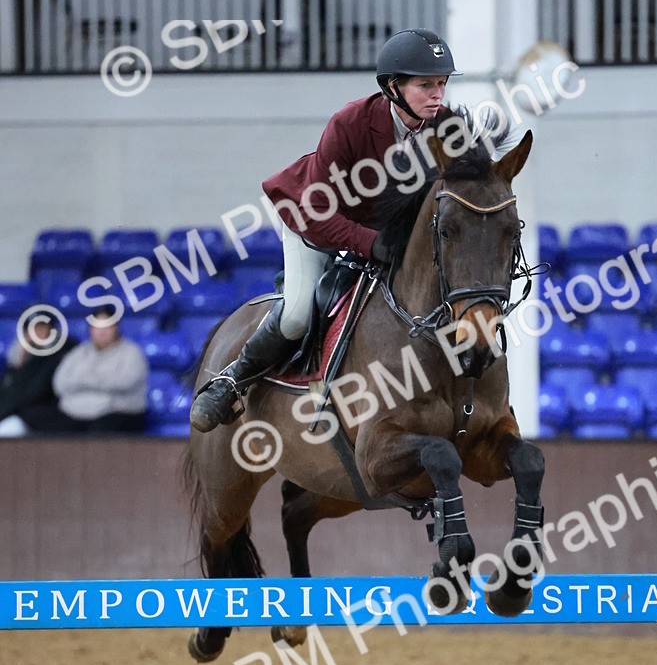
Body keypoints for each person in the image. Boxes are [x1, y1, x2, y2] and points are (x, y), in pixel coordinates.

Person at [191, 27, 484, 433]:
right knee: (296, 315)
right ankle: (231, 380)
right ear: (392, 87)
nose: (438, 94)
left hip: (384, 237)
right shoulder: (351, 123)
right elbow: (318, 212)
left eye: (442, 84)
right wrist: (369, 244)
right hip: (314, 222)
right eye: (426, 85)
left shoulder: (450, 131)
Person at [23, 305, 149, 434]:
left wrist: (83, 380)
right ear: (90, 329)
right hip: (76, 412)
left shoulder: (131, 352)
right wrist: (100, 380)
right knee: (39, 419)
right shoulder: (78, 352)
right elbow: (60, 384)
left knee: (102, 431)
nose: (101, 331)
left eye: (106, 326)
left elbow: (124, 382)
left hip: (116, 412)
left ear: (116, 327)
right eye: (97, 326)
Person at [0, 312, 76, 437]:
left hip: (44, 416)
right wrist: (21, 362)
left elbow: (36, 392)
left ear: (51, 328)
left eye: (41, 327)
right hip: (19, 413)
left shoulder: (63, 351)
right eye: (32, 329)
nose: (37, 333)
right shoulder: (21, 356)